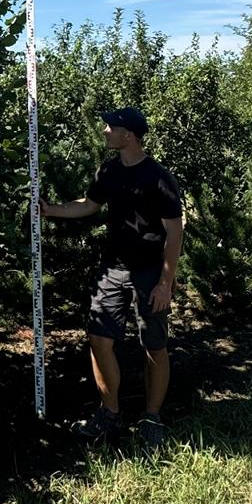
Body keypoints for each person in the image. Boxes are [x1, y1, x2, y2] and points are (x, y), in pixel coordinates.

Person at [40, 107, 184, 451]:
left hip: (150, 271)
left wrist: (166, 283)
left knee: (154, 343)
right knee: (99, 337)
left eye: (111, 127)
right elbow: (89, 205)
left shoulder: (159, 178)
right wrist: (51, 210)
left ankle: (151, 417)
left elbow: (175, 233)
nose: (104, 131)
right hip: (113, 268)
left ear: (129, 136)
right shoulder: (108, 171)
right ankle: (110, 412)